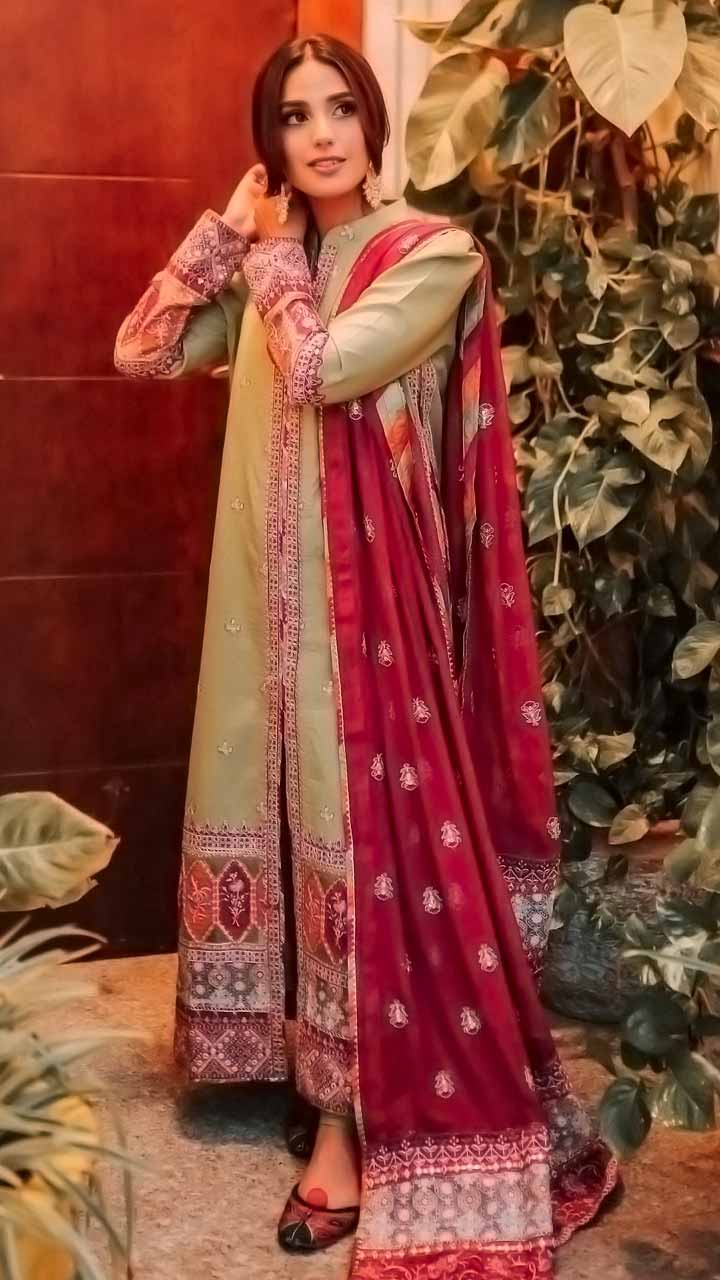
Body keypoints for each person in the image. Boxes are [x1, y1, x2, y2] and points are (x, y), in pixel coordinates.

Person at [114, 31, 619, 1278]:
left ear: (374, 119)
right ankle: (296, 1061)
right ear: (270, 143)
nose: (322, 134)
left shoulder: (430, 253)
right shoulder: (271, 260)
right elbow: (143, 349)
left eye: (340, 107)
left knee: (353, 839)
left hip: (369, 631)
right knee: (276, 818)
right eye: (293, 117)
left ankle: (345, 1123)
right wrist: (227, 233)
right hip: (259, 621)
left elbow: (325, 365)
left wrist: (273, 262)